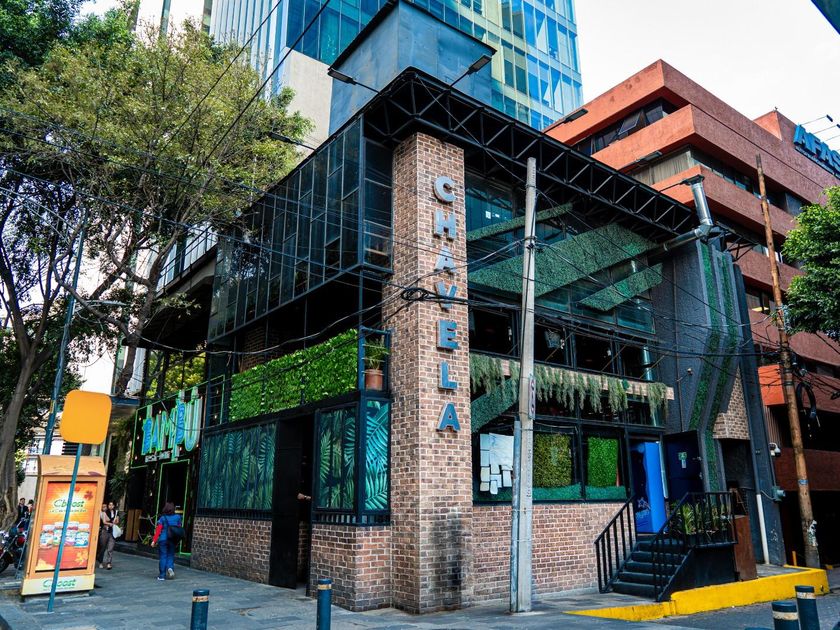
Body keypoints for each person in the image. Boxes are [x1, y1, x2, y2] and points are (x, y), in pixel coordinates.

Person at [151, 502, 181, 581]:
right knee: (170, 555)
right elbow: (179, 528)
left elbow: (158, 530)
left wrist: (154, 541)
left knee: (163, 556)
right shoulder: (177, 517)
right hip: (172, 539)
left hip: (163, 539)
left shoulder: (162, 518)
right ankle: (170, 567)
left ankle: (162, 576)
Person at [98, 501, 118, 570]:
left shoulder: (116, 512)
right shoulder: (104, 512)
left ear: (114, 506)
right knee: (103, 547)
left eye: (112, 505)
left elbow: (117, 521)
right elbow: (104, 522)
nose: (111, 506)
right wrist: (110, 523)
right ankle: (100, 562)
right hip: (105, 531)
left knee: (110, 548)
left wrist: (115, 521)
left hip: (112, 532)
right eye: (109, 505)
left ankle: (109, 563)